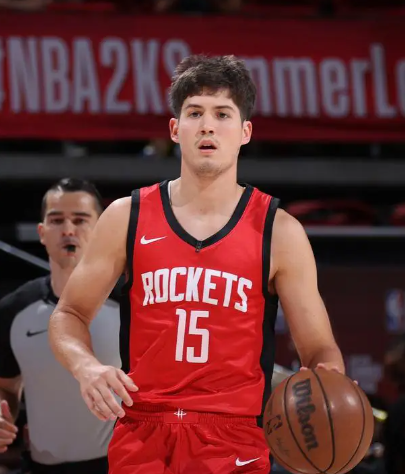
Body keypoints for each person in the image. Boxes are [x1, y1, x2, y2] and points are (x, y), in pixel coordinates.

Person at [48, 55, 345, 474]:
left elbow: (317, 348)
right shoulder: (126, 216)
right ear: (175, 130)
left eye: (222, 114)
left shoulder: (279, 231)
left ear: (244, 132)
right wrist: (86, 366)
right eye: (194, 113)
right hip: (142, 431)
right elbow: (69, 314)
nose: (207, 125)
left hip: (234, 439)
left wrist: (328, 383)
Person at [0, 178, 121, 474]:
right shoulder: (14, 309)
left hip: (120, 466)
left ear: (101, 230)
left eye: (80, 220)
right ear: (42, 233)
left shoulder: (133, 302)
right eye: (56, 220)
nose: (68, 229)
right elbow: (6, 387)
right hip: (41, 466)